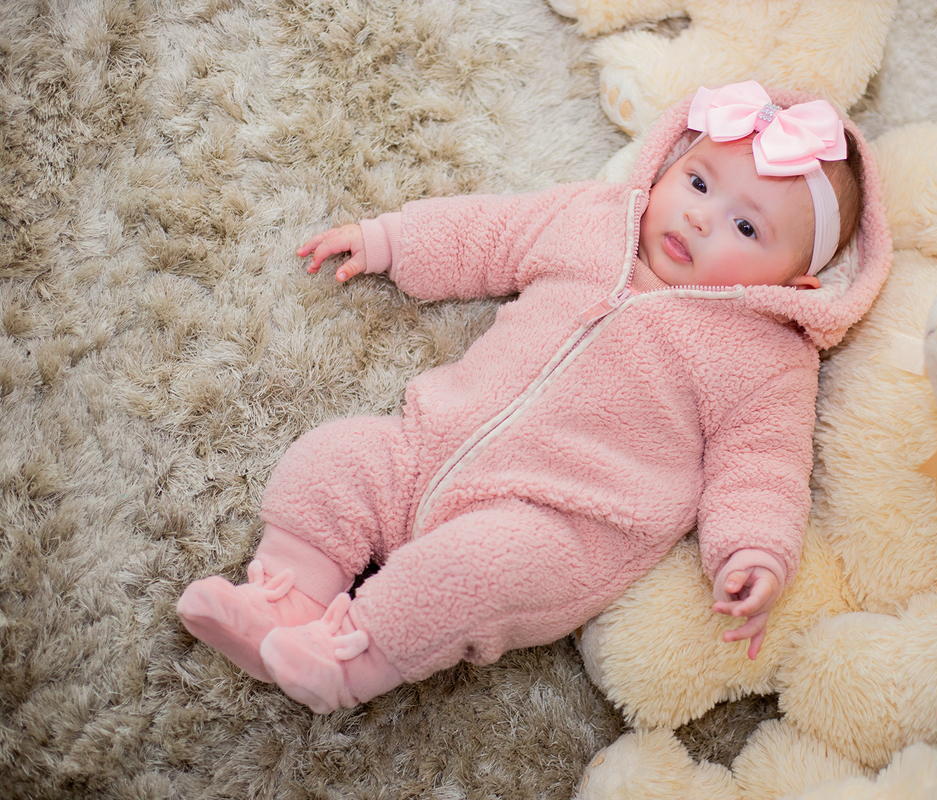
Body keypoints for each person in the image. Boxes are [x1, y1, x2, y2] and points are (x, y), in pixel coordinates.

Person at [176, 81, 891, 715]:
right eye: (698, 183)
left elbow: (763, 465)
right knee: (334, 457)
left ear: (794, 284)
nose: (702, 218)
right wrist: (392, 239)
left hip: (557, 524)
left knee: (465, 576)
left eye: (746, 226)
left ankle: (348, 658)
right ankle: (287, 597)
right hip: (432, 440)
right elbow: (492, 232)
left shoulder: (767, 354)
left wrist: (754, 551)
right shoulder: (593, 218)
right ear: (669, 163)